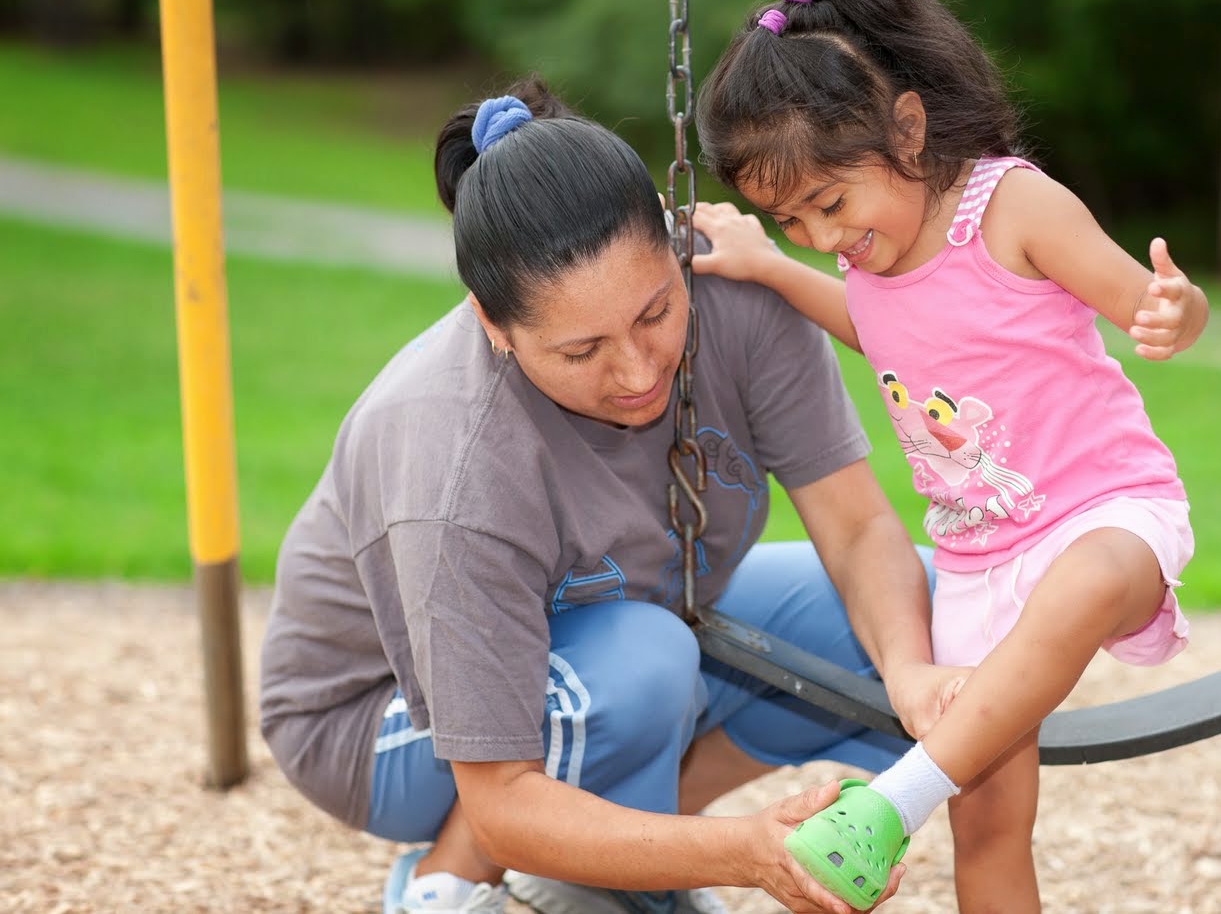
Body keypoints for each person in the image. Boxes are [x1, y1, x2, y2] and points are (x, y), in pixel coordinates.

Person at [258, 76, 958, 914]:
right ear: (492, 323)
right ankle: (449, 879)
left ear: (675, 241)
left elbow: (855, 531)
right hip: (376, 722)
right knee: (642, 662)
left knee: (927, 615)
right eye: (582, 351)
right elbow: (504, 796)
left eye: (656, 311)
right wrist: (743, 852)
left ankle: (613, 856)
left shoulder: (742, 298)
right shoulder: (451, 451)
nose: (637, 372)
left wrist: (911, 671)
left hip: (627, 630)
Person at [693, 0, 1209, 913]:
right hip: (976, 561)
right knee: (990, 823)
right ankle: (935, 791)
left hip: (1105, 511)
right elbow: (886, 336)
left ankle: (898, 793)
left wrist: (1175, 308)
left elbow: (1146, 297)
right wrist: (770, 268)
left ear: (908, 127)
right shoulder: (860, 257)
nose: (825, 235)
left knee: (1090, 574)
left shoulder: (1011, 207)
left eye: (830, 202)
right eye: (792, 222)